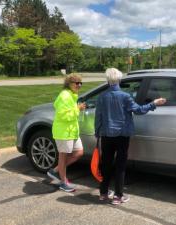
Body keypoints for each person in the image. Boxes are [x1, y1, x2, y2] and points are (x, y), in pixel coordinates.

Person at [95, 68, 166, 205]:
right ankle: (118, 196)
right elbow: (138, 110)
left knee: (106, 164)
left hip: (106, 135)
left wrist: (98, 133)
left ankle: (103, 193)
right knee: (120, 165)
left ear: (107, 80)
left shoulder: (102, 97)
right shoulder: (125, 96)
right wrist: (154, 103)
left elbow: (98, 117)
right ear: (120, 80)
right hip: (122, 135)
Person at [47, 74, 86, 192]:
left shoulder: (72, 95)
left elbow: (71, 114)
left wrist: (78, 109)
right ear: (69, 84)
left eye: (80, 83)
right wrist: (77, 109)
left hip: (72, 131)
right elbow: (64, 115)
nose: (79, 85)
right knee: (63, 156)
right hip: (63, 132)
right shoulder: (64, 96)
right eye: (76, 83)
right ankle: (63, 182)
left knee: (79, 152)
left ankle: (54, 171)